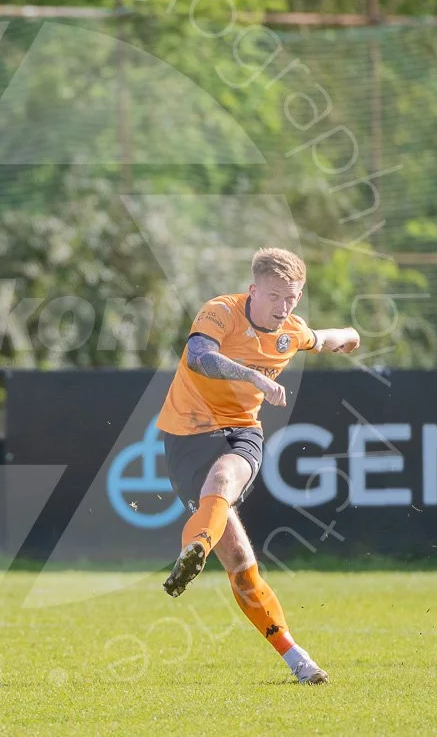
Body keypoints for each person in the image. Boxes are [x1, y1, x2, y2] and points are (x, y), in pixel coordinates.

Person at [155, 247, 360, 685]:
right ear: (252, 290)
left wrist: (350, 334)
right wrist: (255, 377)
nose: (283, 308)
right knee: (241, 563)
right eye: (274, 297)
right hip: (186, 435)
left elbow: (322, 339)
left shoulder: (292, 330)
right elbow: (198, 356)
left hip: (240, 432)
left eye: (292, 298)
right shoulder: (221, 312)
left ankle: (298, 660)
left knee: (226, 477)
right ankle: (201, 547)